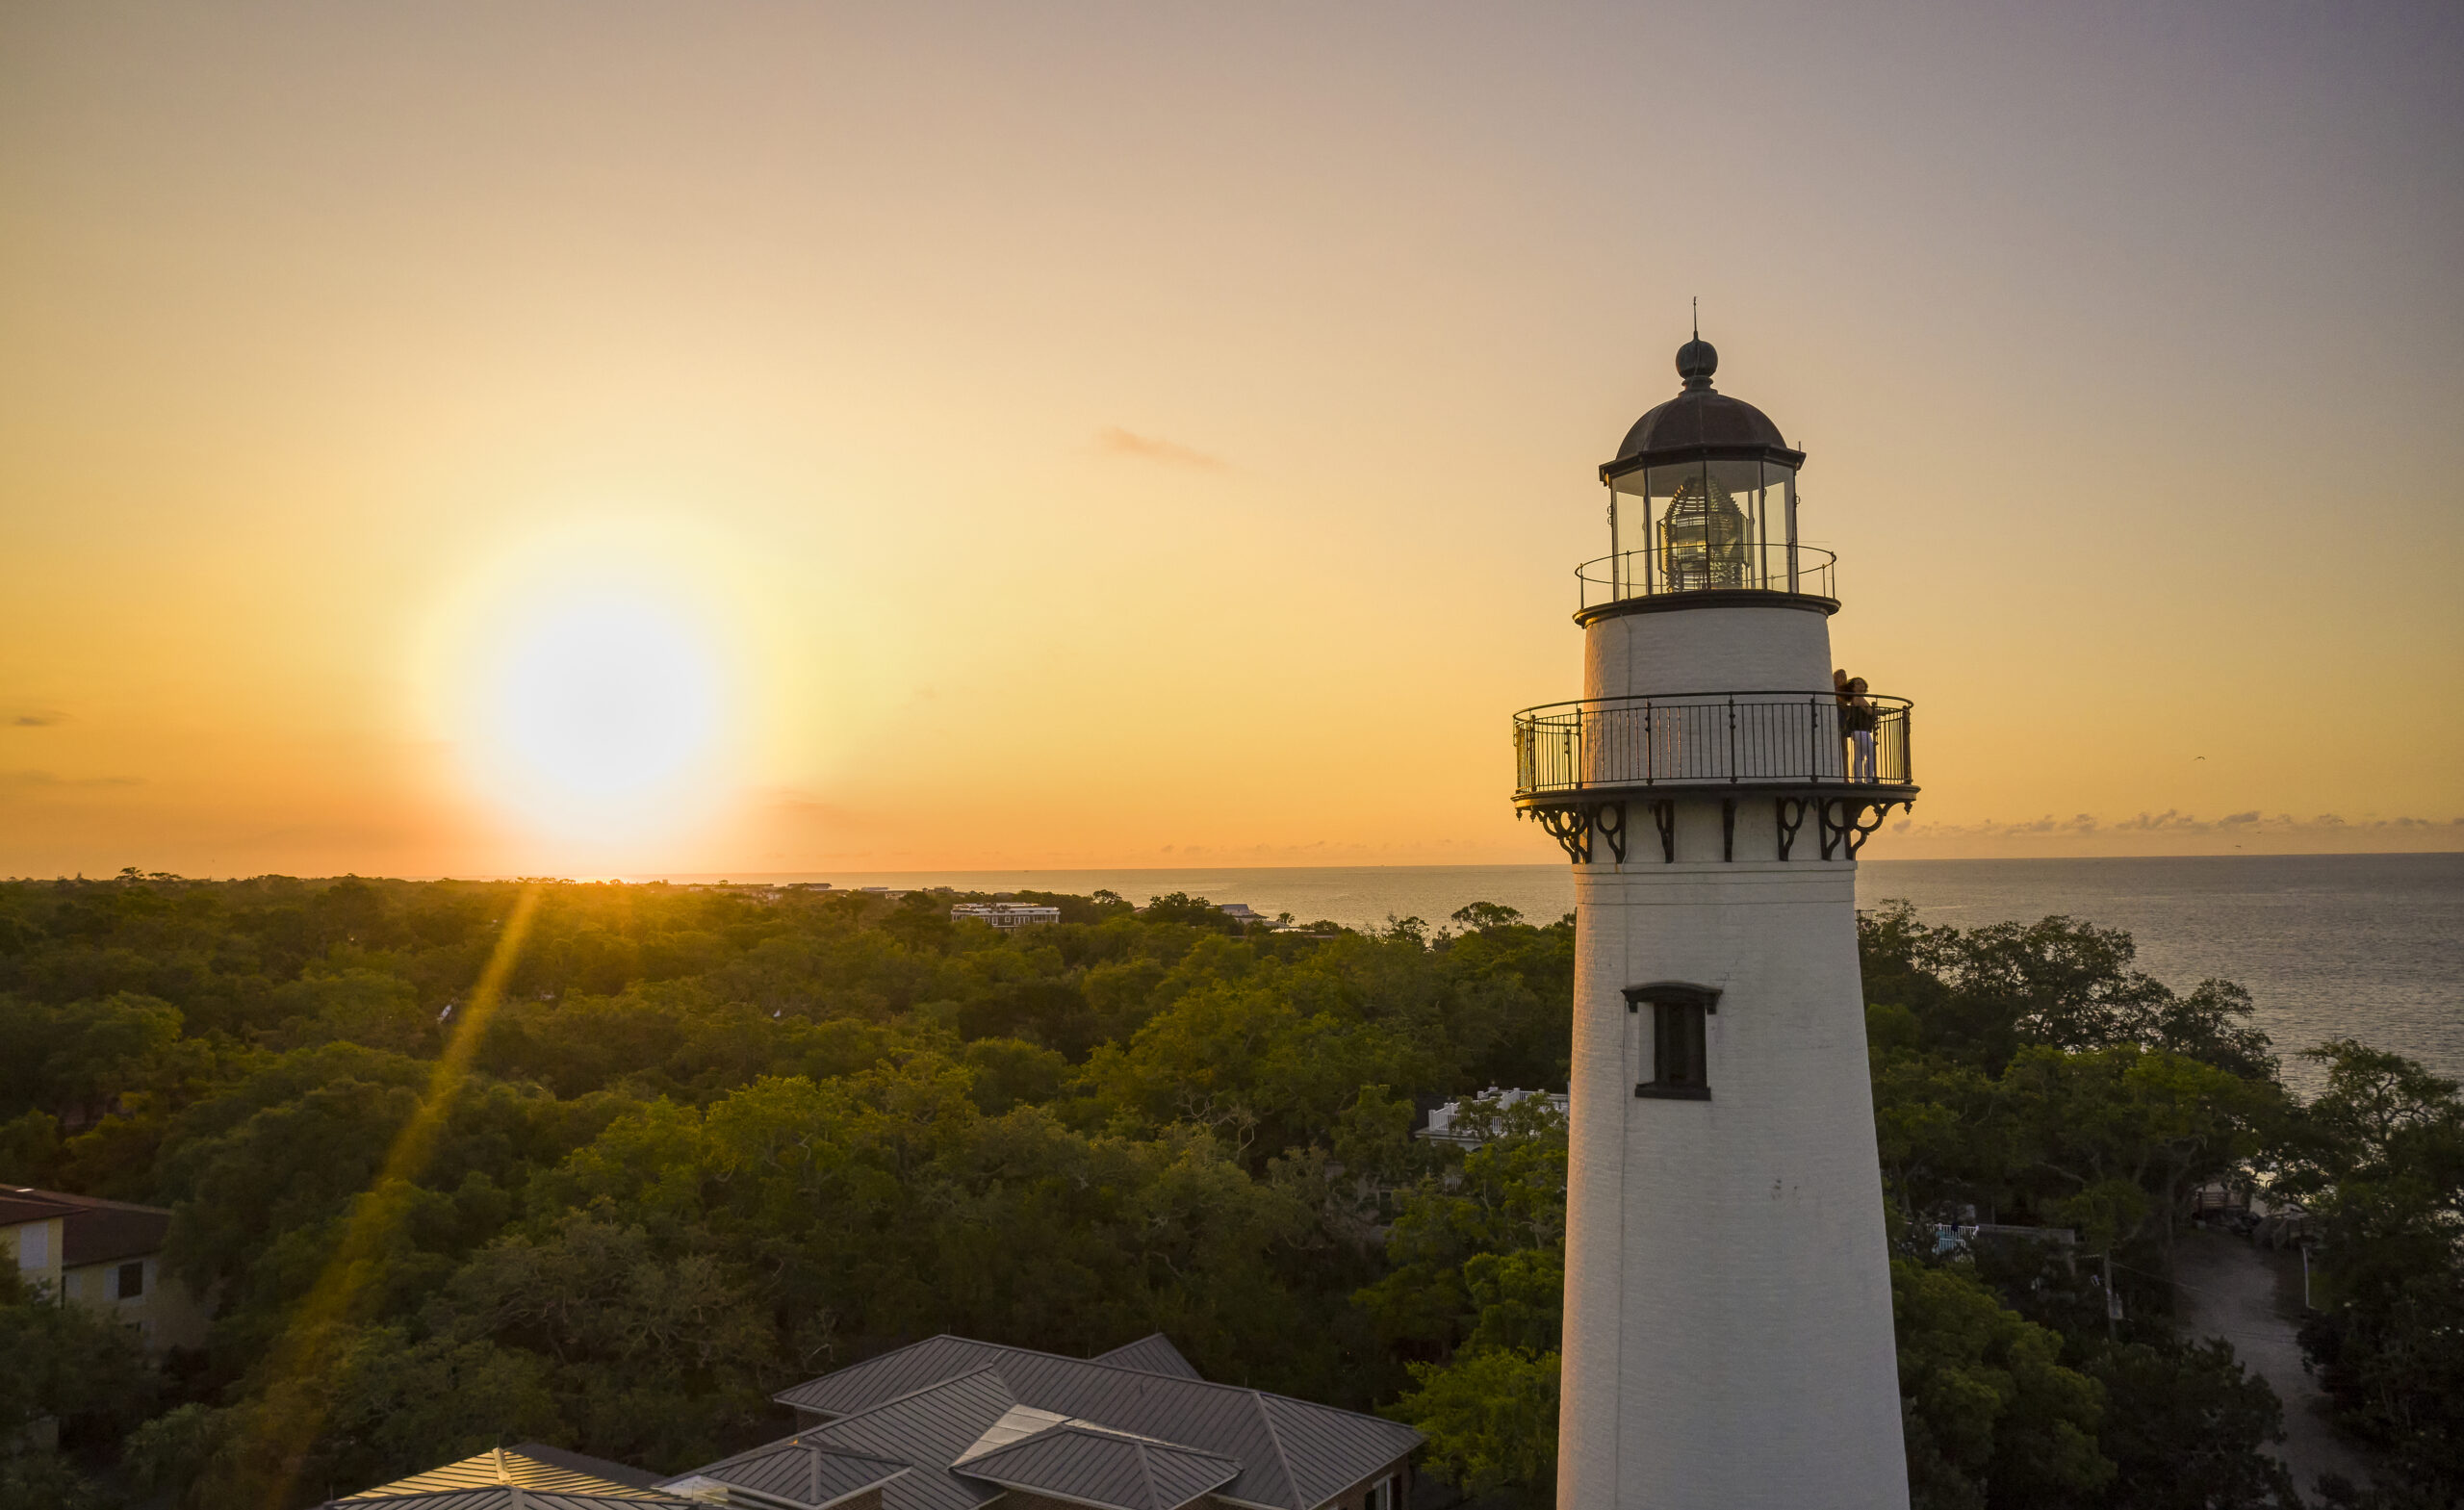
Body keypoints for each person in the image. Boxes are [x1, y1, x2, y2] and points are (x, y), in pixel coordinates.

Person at [1842, 676, 1878, 782]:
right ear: (1853, 688)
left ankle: (1858, 778)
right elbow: (1870, 712)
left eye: (1862, 683)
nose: (1861, 685)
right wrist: (1878, 712)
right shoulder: (1858, 698)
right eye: (1857, 683)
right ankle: (1869, 778)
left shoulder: (1856, 698)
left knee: (1860, 755)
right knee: (1871, 753)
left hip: (1858, 731)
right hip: (1861, 730)